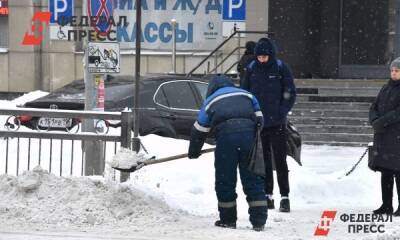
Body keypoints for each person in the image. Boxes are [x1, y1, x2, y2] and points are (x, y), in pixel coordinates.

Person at [188, 75, 267, 231]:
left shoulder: (210, 101)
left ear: (211, 88)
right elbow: (260, 119)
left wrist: (194, 151)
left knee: (226, 180)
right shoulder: (247, 94)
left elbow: (199, 130)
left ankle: (228, 220)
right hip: (249, 138)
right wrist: (250, 136)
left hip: (226, 140)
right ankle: (259, 221)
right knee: (253, 178)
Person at [241, 38, 296, 212]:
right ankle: (268, 195)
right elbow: (245, 93)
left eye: (264, 56)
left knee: (280, 160)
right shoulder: (251, 69)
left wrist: (282, 112)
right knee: (264, 161)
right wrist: (251, 113)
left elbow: (290, 92)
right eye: (259, 57)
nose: (262, 60)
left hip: (277, 123)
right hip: (260, 124)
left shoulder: (280, 68)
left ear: (270, 55)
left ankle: (285, 196)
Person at [369, 57, 400, 216]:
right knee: (386, 172)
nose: (394, 73)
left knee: (399, 173)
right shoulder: (385, 88)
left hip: (397, 138)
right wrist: (374, 120)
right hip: (383, 137)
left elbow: (397, 113)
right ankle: (386, 205)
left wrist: (382, 121)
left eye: (397, 71)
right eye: (392, 70)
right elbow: (374, 106)